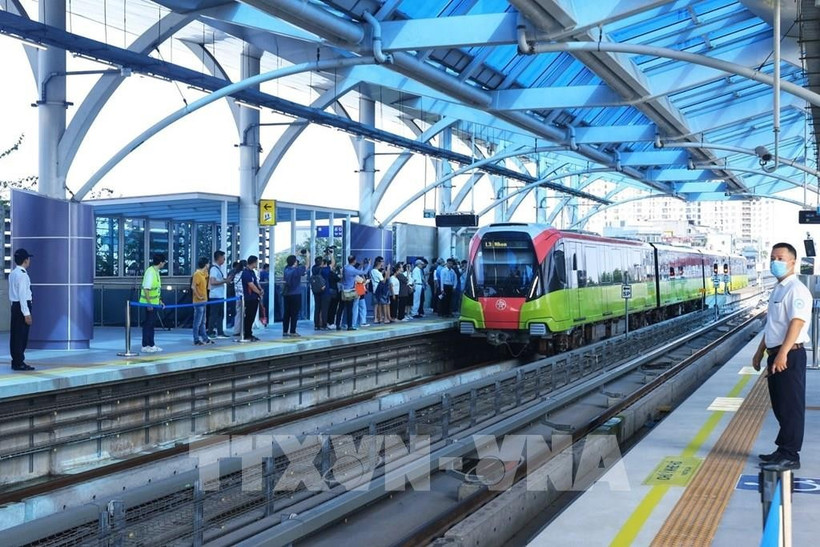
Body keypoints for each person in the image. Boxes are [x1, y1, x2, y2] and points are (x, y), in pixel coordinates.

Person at [752, 242, 812, 470]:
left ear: (792, 262)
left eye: (780, 258)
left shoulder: (796, 290)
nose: (775, 262)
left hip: (790, 355)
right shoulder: (778, 289)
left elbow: (796, 324)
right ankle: (782, 449)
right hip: (776, 353)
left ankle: (791, 455)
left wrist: (783, 354)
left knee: (791, 406)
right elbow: (773, 326)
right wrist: (760, 351)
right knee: (780, 405)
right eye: (772, 258)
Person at [9, 248, 34, 371]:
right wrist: (27, 313)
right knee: (21, 336)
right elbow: (23, 295)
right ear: (25, 260)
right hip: (22, 306)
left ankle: (15, 361)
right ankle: (19, 362)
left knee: (15, 335)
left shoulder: (13, 273)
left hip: (14, 306)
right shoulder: (23, 275)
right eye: (28, 258)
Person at [140, 253, 166, 352]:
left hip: (154, 303)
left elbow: (156, 290)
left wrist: (160, 301)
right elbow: (146, 289)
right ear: (161, 262)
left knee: (151, 324)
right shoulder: (150, 272)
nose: (164, 264)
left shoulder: (156, 272)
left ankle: (151, 344)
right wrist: (149, 303)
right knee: (148, 324)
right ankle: (146, 345)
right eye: (164, 262)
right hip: (149, 303)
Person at [283, 250, 308, 337]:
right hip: (296, 294)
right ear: (294, 262)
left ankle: (285, 331)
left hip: (287, 294)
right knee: (294, 313)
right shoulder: (297, 270)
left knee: (286, 313)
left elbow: (289, 264)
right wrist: (307, 255)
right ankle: (293, 331)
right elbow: (307, 265)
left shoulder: (286, 269)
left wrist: (296, 255)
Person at [208, 250, 232, 339]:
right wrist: (224, 281)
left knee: (220, 315)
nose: (224, 260)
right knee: (214, 315)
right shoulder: (214, 269)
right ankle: (210, 332)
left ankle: (220, 332)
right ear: (219, 258)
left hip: (220, 295)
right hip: (215, 296)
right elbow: (213, 281)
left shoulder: (218, 268)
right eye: (223, 258)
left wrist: (225, 280)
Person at [342, 256, 371, 331]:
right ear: (354, 261)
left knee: (347, 308)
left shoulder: (345, 267)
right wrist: (369, 265)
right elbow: (363, 273)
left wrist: (360, 266)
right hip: (351, 290)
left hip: (345, 289)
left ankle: (346, 324)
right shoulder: (352, 270)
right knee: (353, 308)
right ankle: (351, 325)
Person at [192, 256, 213, 345]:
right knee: (197, 321)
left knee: (203, 321)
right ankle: (196, 339)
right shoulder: (197, 274)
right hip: (198, 301)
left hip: (204, 300)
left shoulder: (205, 274)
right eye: (208, 263)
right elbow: (193, 287)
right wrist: (199, 296)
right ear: (205, 264)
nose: (209, 265)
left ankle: (205, 338)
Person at [241, 256, 263, 341]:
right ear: (253, 262)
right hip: (249, 298)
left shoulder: (252, 272)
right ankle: (247, 334)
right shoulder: (246, 273)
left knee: (252, 316)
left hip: (254, 297)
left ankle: (250, 333)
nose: (257, 264)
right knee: (249, 317)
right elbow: (251, 285)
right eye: (256, 262)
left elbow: (256, 283)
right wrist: (259, 292)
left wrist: (261, 289)